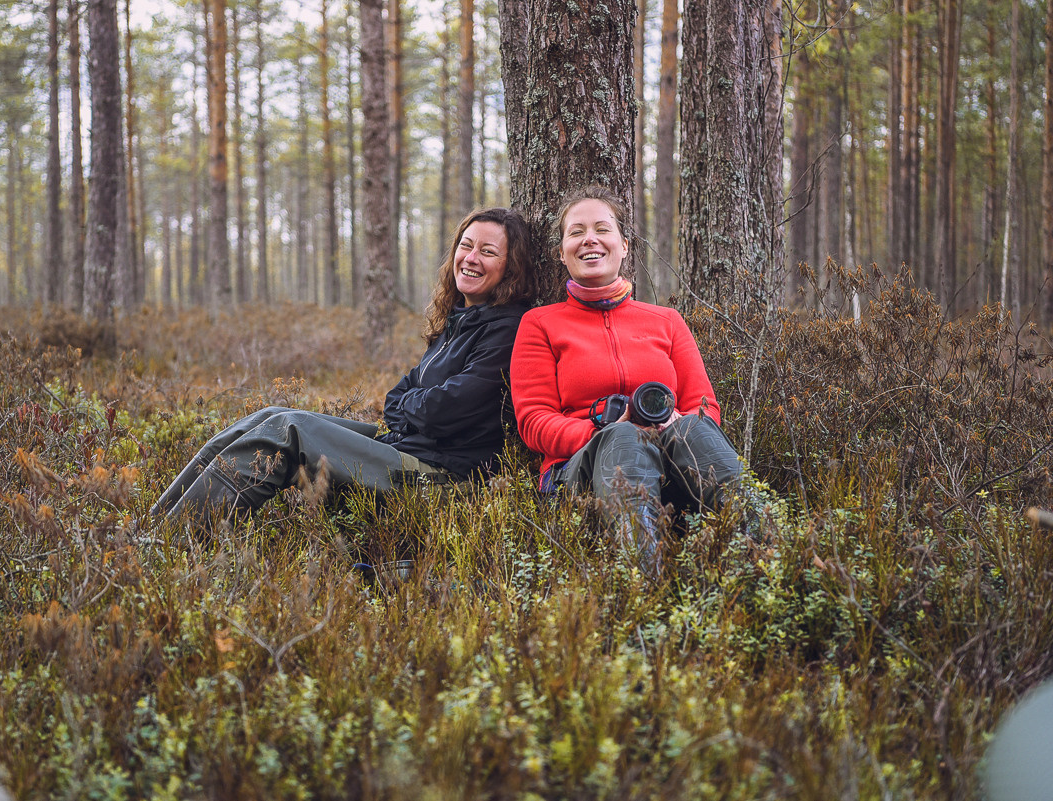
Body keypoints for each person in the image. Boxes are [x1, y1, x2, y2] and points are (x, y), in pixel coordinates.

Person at [152, 207, 535, 528]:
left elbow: (445, 409)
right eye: (466, 246)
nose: (470, 258)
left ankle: (182, 534)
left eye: (488, 251)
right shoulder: (458, 320)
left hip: (442, 476)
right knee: (271, 415)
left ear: (510, 266)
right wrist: (410, 408)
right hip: (408, 448)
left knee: (291, 432)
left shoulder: (508, 329)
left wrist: (409, 408)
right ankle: (156, 525)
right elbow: (402, 394)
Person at [509, 185, 742, 574]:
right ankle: (641, 582)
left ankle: (767, 552)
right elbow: (533, 422)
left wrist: (672, 427)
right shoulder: (539, 324)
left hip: (672, 461)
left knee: (695, 427)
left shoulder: (667, 321)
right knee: (623, 437)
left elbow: (706, 406)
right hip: (581, 472)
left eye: (602, 228)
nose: (590, 239)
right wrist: (599, 431)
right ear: (561, 251)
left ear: (624, 245)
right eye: (576, 231)